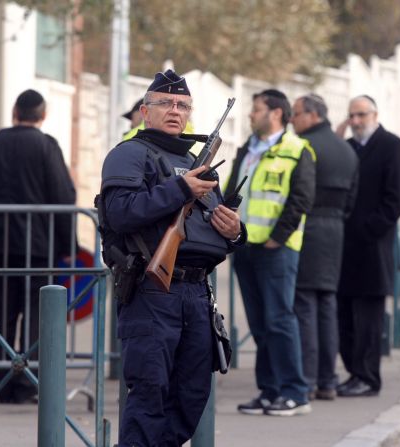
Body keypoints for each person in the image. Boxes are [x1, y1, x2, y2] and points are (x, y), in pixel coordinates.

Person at [101, 69, 244, 446]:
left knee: (190, 399)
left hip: (197, 295)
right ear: (145, 112)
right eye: (165, 103)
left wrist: (233, 232)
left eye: (182, 105)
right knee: (149, 396)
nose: (174, 110)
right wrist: (180, 188)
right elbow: (120, 213)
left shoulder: (195, 161)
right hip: (152, 291)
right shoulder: (129, 155)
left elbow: (207, 231)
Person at [0, 89, 76, 403]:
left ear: (15, 112)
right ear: (42, 115)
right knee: (36, 314)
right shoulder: (47, 146)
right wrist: (68, 241)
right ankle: (29, 381)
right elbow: (62, 195)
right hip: (40, 247)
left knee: (1, 312)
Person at [226, 89, 316, 416]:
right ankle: (269, 391)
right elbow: (233, 193)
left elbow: (301, 200)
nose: (251, 115)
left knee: (280, 320)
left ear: (276, 113)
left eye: (256, 109)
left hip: (276, 250)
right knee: (261, 324)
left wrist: (277, 238)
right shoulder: (246, 149)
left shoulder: (297, 150)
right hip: (245, 246)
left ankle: (296, 392)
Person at [335, 95, 400, 397]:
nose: (355, 121)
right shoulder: (350, 147)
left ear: (374, 114)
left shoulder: (391, 146)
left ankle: (367, 377)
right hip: (344, 247)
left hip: (373, 247)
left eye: (361, 115)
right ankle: (354, 373)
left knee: (368, 319)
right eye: (351, 115)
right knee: (345, 315)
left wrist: (368, 230)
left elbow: (395, 200)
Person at [290, 94, 358, 401]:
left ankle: (307, 379)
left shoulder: (306, 147)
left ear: (313, 115)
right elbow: (352, 200)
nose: (292, 120)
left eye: (296, 114)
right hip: (336, 231)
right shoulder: (346, 149)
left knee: (304, 304)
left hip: (309, 228)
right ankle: (328, 380)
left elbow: (299, 194)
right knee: (327, 304)